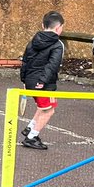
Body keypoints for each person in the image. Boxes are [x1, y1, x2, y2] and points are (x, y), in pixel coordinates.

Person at [19, 11, 65, 150]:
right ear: (58, 28)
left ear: (42, 25)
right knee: (49, 110)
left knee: (42, 107)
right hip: (44, 82)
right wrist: (43, 82)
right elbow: (53, 65)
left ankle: (30, 128)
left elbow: (25, 61)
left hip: (30, 80)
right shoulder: (58, 44)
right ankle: (32, 137)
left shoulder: (33, 41)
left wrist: (24, 79)